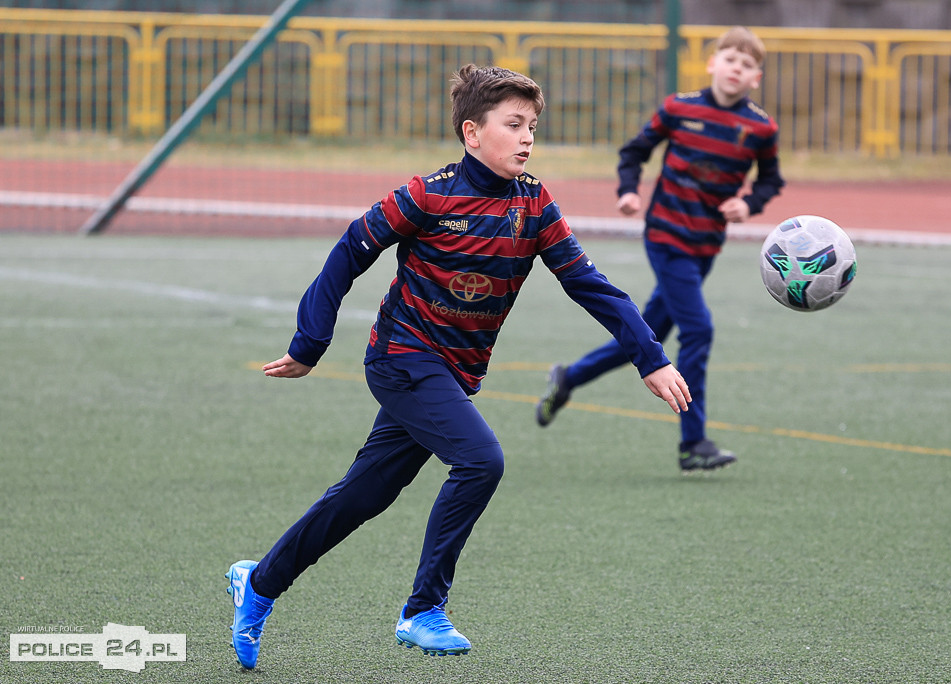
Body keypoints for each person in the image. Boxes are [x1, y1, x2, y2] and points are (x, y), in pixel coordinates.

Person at [226, 64, 692, 670]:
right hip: (401, 358)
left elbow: (588, 284)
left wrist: (649, 357)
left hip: (452, 376)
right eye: (513, 125)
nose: (527, 138)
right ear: (472, 133)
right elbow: (347, 253)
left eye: (532, 126)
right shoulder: (427, 195)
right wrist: (310, 342)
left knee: (361, 497)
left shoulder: (534, 202)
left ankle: (257, 583)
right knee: (480, 461)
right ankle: (424, 609)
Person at [535, 26, 784, 472]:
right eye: (729, 59)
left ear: (756, 79)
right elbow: (634, 151)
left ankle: (569, 377)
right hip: (666, 236)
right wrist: (628, 191)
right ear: (711, 64)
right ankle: (693, 443)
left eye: (747, 65)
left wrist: (748, 203)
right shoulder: (678, 108)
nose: (736, 69)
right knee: (699, 331)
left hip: (705, 244)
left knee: (645, 334)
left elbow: (770, 180)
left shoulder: (760, 127)